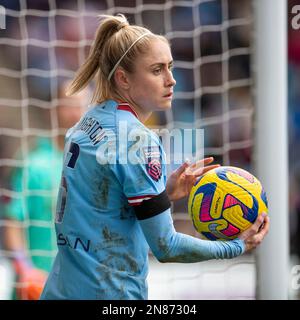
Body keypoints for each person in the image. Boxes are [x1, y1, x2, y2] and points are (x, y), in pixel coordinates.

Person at [40, 14, 269, 300]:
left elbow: (103, 207)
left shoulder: (84, 124)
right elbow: (166, 247)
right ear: (123, 79)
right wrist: (236, 247)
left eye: (170, 67)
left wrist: (163, 195)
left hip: (60, 291)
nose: (171, 80)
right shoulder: (137, 139)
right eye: (157, 70)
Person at [3, 80, 85, 300]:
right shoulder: (33, 163)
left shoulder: (97, 167)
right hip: (37, 288)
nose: (75, 113)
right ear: (53, 110)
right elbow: (13, 222)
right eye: (69, 105)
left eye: (82, 106)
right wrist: (25, 269)